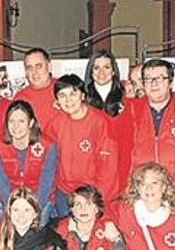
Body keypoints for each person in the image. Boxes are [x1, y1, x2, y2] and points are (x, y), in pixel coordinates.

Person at [45, 74, 119, 211]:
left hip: (91, 192)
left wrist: (98, 198)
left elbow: (109, 167)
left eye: (73, 93)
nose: (68, 100)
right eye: (62, 95)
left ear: (83, 96)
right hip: (65, 192)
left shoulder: (100, 122)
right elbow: (48, 161)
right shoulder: (54, 125)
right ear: (57, 101)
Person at [0, 100, 58, 225]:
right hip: (9, 200)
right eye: (11, 121)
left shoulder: (48, 146)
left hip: (39, 200)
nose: (16, 127)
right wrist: (13, 209)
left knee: (35, 236)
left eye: (21, 121)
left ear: (31, 123)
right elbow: (1, 182)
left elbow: (46, 182)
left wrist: (33, 209)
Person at [127, 59, 175, 185]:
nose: (154, 84)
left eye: (159, 78)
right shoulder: (130, 111)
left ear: (170, 83)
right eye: (148, 79)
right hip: (141, 189)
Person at [84, 51, 134, 186]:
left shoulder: (128, 95)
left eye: (106, 67)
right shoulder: (81, 98)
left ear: (113, 71)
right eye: (96, 67)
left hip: (121, 163)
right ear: (90, 72)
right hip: (91, 164)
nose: (101, 72)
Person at [14, 47, 58, 127]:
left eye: (38, 66)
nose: (34, 72)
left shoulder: (65, 90)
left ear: (49, 67)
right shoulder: (20, 99)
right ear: (25, 72)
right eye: (29, 68)